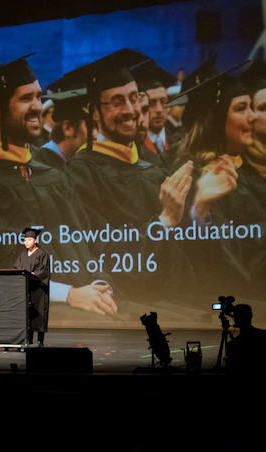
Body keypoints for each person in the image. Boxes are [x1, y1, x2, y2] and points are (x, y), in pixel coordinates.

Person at [0, 55, 118, 318]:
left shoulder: (52, 175)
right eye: (26, 99)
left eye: (38, 96)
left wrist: (100, 284)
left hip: (85, 304)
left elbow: (87, 240)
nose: (37, 106)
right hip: (34, 315)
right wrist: (68, 294)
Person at [59, 49, 196, 307]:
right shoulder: (80, 175)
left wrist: (199, 210)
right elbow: (102, 255)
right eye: (118, 101)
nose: (132, 109)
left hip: (172, 297)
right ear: (94, 112)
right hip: (127, 305)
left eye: (134, 98)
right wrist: (163, 221)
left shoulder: (152, 170)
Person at [169, 61, 266, 300]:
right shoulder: (197, 178)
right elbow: (232, 259)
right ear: (217, 120)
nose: (253, 116)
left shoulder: (260, 168)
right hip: (247, 296)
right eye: (241, 108)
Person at [31, 89, 88, 169]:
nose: (96, 135)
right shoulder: (38, 166)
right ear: (67, 129)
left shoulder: (70, 164)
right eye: (91, 127)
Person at [13, 228, 50, 346]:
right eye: (25, 240)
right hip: (25, 289)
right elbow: (17, 269)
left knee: (39, 314)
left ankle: (40, 341)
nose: (26, 242)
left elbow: (44, 271)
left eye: (29, 240)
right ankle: (28, 340)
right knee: (27, 315)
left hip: (38, 290)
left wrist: (33, 275)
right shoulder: (22, 254)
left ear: (35, 240)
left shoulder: (42, 254)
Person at [225, 304, 266, 375]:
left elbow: (231, 368)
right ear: (251, 316)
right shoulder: (265, 335)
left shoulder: (232, 345)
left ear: (235, 318)